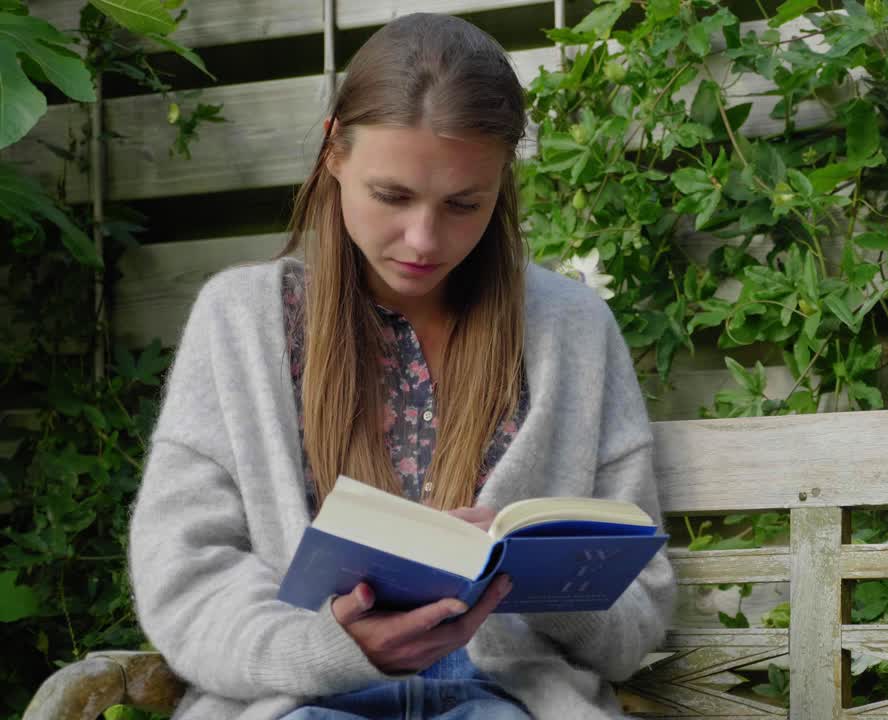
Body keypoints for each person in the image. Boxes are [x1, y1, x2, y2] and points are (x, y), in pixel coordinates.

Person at [128, 12, 675, 720]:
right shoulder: (240, 319)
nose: (423, 239)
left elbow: (636, 614)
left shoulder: (571, 330)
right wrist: (325, 648)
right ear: (334, 154)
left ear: (500, 184)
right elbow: (186, 578)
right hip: (305, 698)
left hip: (506, 700)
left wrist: (536, 581)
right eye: (392, 196)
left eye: (463, 205)